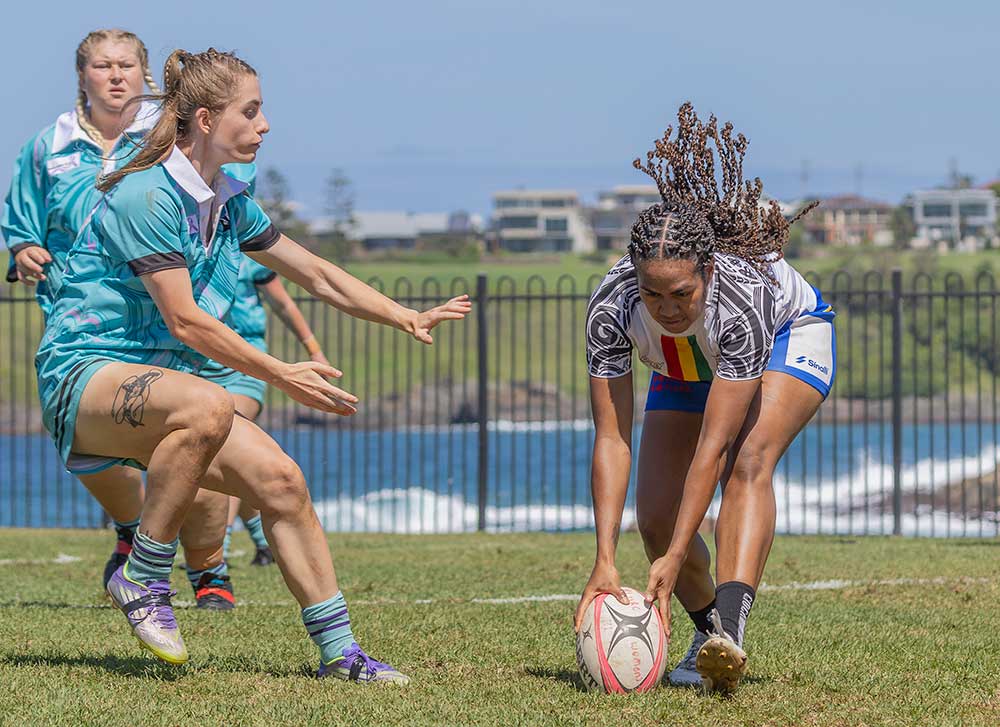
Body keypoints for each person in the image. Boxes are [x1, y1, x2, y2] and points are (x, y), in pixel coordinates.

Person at [35, 47, 470, 682]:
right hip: (84, 374)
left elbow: (317, 274)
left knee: (283, 483)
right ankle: (144, 575)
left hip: (164, 388)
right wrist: (281, 372)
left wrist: (403, 315)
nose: (265, 125)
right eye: (252, 110)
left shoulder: (229, 201)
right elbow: (185, 321)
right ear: (206, 119)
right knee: (210, 403)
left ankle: (341, 655)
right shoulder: (146, 194)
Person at [573, 103, 834, 693]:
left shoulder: (738, 306)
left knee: (746, 461)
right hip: (688, 363)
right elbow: (611, 438)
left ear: (708, 272)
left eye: (681, 293)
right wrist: (605, 557)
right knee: (655, 520)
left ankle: (731, 632)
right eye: (653, 294)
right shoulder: (611, 308)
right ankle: (708, 634)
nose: (666, 308)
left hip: (787, 337)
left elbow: (712, 449)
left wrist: (672, 559)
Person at [0, 29, 232, 601]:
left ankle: (208, 568)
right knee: (93, 441)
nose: (115, 75)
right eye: (102, 66)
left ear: (144, 72)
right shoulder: (47, 147)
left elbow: (217, 194)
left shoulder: (166, 134)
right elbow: (21, 223)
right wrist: (23, 250)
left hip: (169, 316)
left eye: (126, 64)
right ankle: (135, 531)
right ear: (82, 75)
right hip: (80, 325)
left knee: (198, 440)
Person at [198, 253, 332, 568]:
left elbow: (283, 304)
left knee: (223, 445)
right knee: (229, 464)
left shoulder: (249, 255)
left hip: (248, 364)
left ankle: (217, 551)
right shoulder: (188, 252)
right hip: (202, 363)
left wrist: (315, 351)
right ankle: (263, 539)